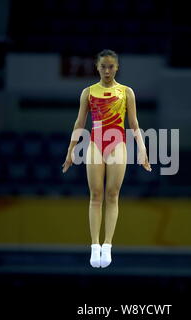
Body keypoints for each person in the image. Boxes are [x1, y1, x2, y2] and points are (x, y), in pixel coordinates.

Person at [62, 49, 151, 268]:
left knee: (112, 194)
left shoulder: (126, 92)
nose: (107, 70)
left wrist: (142, 149)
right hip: (95, 142)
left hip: (117, 142)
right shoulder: (88, 92)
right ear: (97, 67)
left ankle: (107, 244)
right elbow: (79, 123)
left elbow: (134, 123)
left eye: (111, 66)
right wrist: (70, 150)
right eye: (103, 66)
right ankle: (94, 245)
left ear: (117, 67)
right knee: (95, 194)